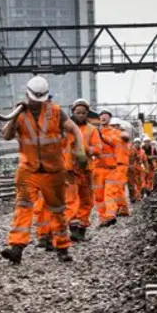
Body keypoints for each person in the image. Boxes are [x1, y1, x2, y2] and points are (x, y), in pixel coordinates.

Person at [0, 76, 86, 264]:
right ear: (27, 95)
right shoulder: (19, 113)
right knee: (23, 206)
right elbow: (6, 135)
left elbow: (75, 130)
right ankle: (16, 247)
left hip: (53, 170)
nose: (36, 103)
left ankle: (62, 247)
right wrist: (15, 115)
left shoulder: (56, 112)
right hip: (28, 169)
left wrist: (80, 150)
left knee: (57, 210)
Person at [64, 99, 102, 241]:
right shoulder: (65, 128)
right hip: (70, 170)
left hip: (85, 169)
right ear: (73, 112)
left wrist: (85, 149)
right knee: (71, 199)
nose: (80, 115)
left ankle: (82, 228)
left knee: (87, 201)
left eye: (83, 113)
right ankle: (73, 228)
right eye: (78, 112)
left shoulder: (92, 130)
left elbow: (98, 149)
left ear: (87, 114)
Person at [93, 110, 121, 227]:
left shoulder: (115, 132)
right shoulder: (94, 132)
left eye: (106, 116)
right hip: (97, 168)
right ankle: (103, 218)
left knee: (110, 193)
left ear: (110, 119)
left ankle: (110, 215)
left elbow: (115, 143)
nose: (103, 118)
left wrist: (102, 136)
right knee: (98, 196)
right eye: (102, 116)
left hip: (111, 169)